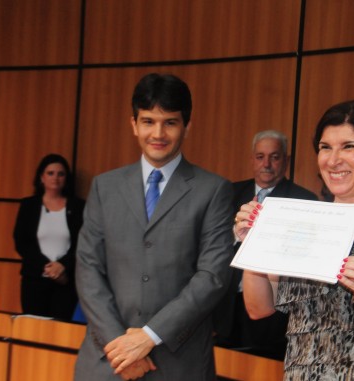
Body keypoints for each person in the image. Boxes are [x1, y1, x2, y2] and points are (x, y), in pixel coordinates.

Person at [234, 99, 354, 379]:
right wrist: (252, 243)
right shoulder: (303, 220)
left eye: (349, 146)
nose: (333, 159)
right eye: (325, 147)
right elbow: (258, 309)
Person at [74, 73, 234, 381]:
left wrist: (148, 337)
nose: (158, 133)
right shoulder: (104, 187)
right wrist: (120, 347)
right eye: (148, 121)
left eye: (170, 122)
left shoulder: (213, 190)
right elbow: (87, 269)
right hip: (107, 362)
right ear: (133, 124)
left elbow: (212, 277)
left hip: (178, 364)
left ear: (187, 125)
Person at [214, 130, 318, 360]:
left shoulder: (304, 201)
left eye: (275, 157)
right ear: (252, 160)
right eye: (260, 157)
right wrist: (237, 235)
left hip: (273, 314)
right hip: (227, 307)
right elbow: (212, 246)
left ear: (286, 161)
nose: (267, 164)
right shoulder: (229, 193)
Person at [13, 153, 85, 320]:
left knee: (60, 330)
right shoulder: (28, 206)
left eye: (61, 174)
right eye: (50, 173)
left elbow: (83, 243)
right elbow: (21, 242)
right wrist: (48, 269)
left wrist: (62, 267)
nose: (56, 178)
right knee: (32, 329)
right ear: (41, 177)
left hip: (65, 281)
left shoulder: (79, 206)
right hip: (34, 279)